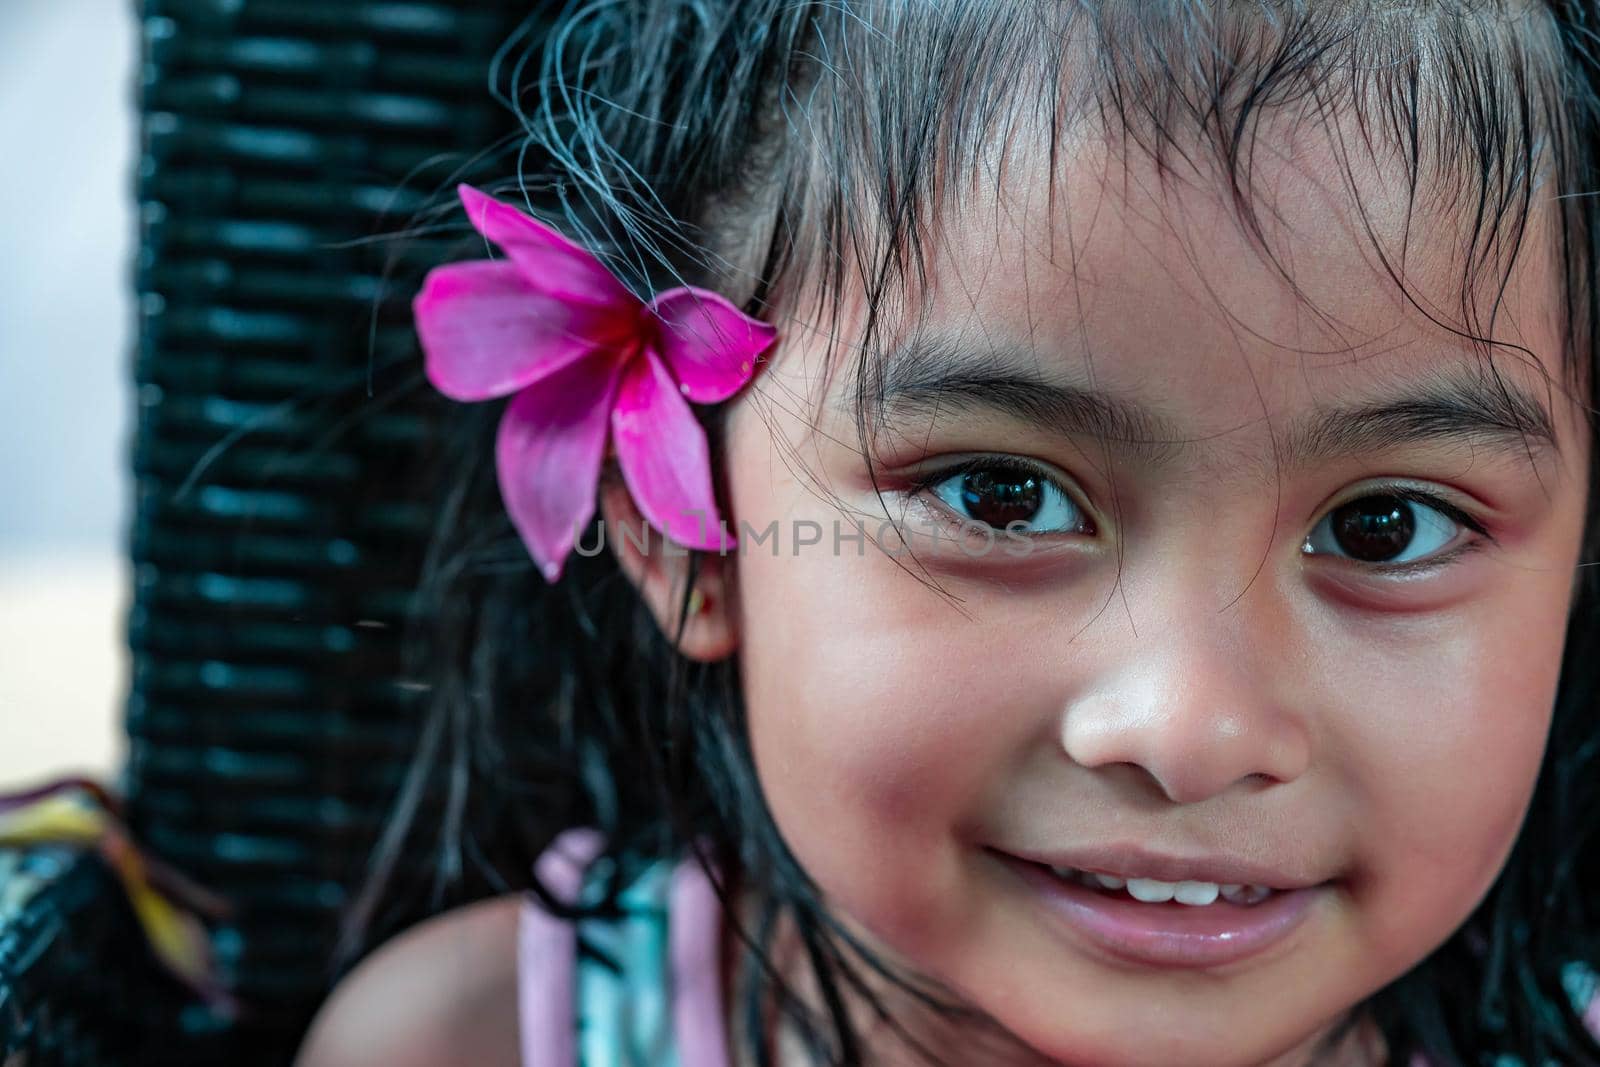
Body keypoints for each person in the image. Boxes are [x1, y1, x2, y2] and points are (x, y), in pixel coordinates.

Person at [292, 1, 1600, 1064]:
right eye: (1001, 497)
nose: (1191, 730)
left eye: (1385, 528)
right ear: (681, 531)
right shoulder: (477, 1045)